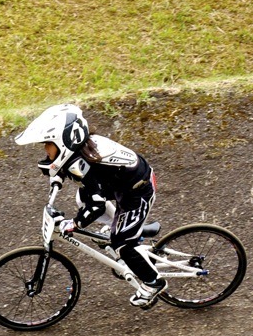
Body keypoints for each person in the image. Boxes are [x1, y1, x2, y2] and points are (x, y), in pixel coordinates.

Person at [15, 104, 168, 309]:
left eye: (48, 144)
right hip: (121, 185)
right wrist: (57, 179)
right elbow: (68, 170)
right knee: (82, 199)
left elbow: (96, 205)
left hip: (138, 192)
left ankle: (153, 283)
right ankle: (122, 228)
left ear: (64, 143)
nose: (45, 149)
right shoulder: (79, 150)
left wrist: (75, 224)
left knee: (121, 242)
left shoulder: (82, 161)